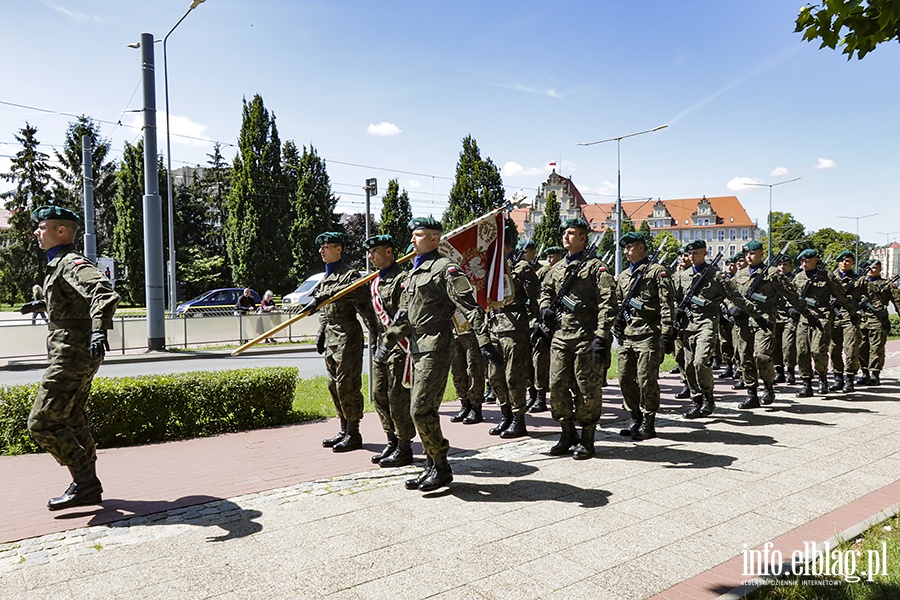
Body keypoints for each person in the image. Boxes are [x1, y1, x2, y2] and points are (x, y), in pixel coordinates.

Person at [381, 217, 494, 492]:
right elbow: (406, 316)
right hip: (417, 347)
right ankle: (432, 466)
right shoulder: (413, 273)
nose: (411, 240)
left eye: (417, 235)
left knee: (420, 409)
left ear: (434, 239)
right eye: (412, 235)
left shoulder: (446, 269)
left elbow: (470, 306)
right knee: (419, 409)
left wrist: (484, 341)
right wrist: (388, 340)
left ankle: (441, 467)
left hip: (436, 345)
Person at [19, 205, 119, 511]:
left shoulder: (71, 262)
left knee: (42, 421)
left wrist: (100, 330)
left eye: (42, 226)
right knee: (73, 417)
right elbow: (74, 304)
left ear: (61, 231)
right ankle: (87, 484)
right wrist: (43, 305)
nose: (37, 232)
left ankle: (85, 482)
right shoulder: (58, 264)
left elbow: (102, 292)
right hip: (72, 350)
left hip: (72, 352)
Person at [538, 218, 617, 459]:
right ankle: (567, 432)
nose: (566, 237)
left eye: (572, 233)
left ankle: (587, 437)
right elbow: (546, 291)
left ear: (583, 238)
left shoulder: (595, 267)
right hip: (561, 335)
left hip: (586, 335)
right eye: (564, 233)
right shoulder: (558, 268)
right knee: (557, 384)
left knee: (587, 387)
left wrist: (602, 335)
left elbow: (608, 302)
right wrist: (545, 309)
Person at [673, 239, 759, 418]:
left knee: (700, 361)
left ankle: (708, 397)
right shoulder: (682, 276)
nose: (691, 256)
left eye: (695, 253)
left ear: (704, 253)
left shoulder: (715, 275)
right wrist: (676, 310)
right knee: (689, 365)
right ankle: (697, 402)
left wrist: (757, 315)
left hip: (707, 323)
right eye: (689, 254)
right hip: (688, 325)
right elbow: (675, 297)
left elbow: (735, 297)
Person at [312, 231, 379, 453]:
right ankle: (343, 428)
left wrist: (376, 335)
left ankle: (354, 432)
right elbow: (324, 310)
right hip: (331, 333)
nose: (321, 250)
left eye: (326, 246)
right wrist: (321, 331)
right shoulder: (325, 277)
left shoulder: (350, 277)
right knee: (333, 385)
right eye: (321, 247)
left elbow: (366, 309)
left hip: (347, 334)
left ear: (339, 248)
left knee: (347, 385)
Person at [729, 240, 806, 408]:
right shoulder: (740, 274)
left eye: (753, 253)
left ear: (761, 254)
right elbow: (730, 294)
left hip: (763, 320)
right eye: (747, 254)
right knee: (745, 358)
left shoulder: (771, 273)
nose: (749, 257)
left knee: (761, 356)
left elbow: (789, 293)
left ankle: (769, 387)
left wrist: (800, 309)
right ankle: (752, 394)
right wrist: (732, 308)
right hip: (743, 321)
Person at [615, 231, 674, 441]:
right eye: (625, 248)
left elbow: (667, 304)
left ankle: (648, 421)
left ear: (641, 247)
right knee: (623, 378)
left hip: (649, 334)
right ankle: (635, 417)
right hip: (628, 335)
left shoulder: (657, 272)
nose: (626, 251)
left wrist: (667, 332)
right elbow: (618, 303)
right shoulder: (623, 276)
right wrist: (617, 320)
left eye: (630, 247)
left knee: (646, 380)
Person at [364, 234, 416, 468]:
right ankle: (391, 440)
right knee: (378, 395)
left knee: (397, 398)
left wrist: (387, 342)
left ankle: (404, 447)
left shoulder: (402, 279)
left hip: (398, 348)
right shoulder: (374, 282)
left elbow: (405, 318)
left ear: (389, 252)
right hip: (380, 347)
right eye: (370, 252)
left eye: (375, 251)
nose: (371, 256)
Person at [486, 227, 540, 439]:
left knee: (513, 376)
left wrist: (536, 322)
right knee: (494, 375)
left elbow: (536, 296)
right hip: (495, 324)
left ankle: (519, 419)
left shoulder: (521, 267)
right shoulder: (491, 268)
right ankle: (505, 415)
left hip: (514, 325)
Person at [791, 248, 856, 397]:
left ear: (816, 260)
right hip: (804, 317)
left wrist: (853, 311)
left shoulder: (827, 276)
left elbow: (840, 295)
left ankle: (822, 378)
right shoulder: (798, 277)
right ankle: (806, 383)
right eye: (802, 261)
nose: (804, 264)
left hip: (822, 316)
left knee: (817, 350)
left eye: (807, 261)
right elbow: (791, 296)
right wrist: (791, 309)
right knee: (802, 351)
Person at [529, 246, 564, 413]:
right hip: (543, 320)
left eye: (553, 256)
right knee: (538, 359)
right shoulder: (545, 273)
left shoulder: (559, 271)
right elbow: (541, 294)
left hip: (563, 324)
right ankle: (538, 395)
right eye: (548, 257)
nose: (550, 260)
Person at [857, 259, 899, 386]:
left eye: (874, 268)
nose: (871, 270)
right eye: (868, 268)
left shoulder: (887, 284)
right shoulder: (859, 283)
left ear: (880, 269)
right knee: (861, 348)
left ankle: (875, 374)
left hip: (878, 320)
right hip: (861, 320)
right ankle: (864, 373)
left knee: (876, 349)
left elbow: (897, 302)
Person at [827, 251, 864, 392]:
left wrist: (859, 310)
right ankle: (838, 378)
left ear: (853, 263)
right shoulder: (830, 278)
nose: (844, 263)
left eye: (848, 261)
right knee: (834, 349)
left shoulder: (859, 279)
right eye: (842, 261)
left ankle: (849, 378)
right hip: (834, 317)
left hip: (850, 316)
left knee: (851, 349)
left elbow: (871, 295)